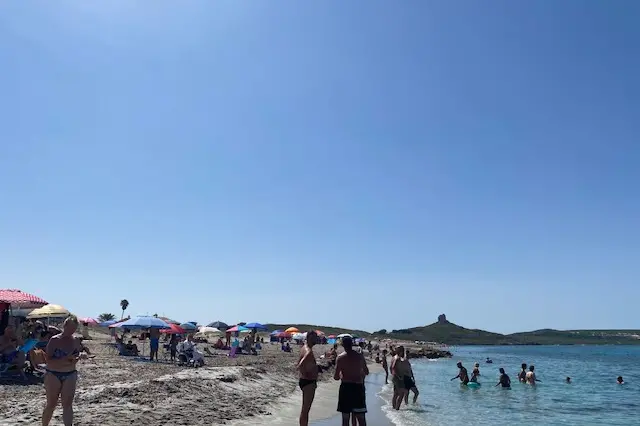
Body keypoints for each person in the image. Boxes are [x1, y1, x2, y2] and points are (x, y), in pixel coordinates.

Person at [42, 315, 90, 426]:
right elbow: (48, 360)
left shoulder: (75, 341)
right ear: (65, 326)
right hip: (53, 374)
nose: (72, 331)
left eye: (74, 329)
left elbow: (74, 359)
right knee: (51, 404)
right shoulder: (54, 340)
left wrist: (79, 357)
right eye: (70, 328)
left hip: (70, 373)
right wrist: (65, 359)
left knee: (68, 404)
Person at [334, 336, 368, 426]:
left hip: (346, 387)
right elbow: (366, 371)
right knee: (361, 418)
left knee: (345, 419)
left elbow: (336, 377)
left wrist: (342, 374)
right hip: (358, 387)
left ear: (342, 345)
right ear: (352, 344)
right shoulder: (359, 356)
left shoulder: (340, 358)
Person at [297, 330, 319, 426]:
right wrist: (306, 373)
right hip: (308, 382)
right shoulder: (308, 351)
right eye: (314, 337)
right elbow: (300, 364)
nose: (316, 339)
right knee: (306, 410)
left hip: (305, 381)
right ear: (309, 338)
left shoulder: (304, 348)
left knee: (305, 409)